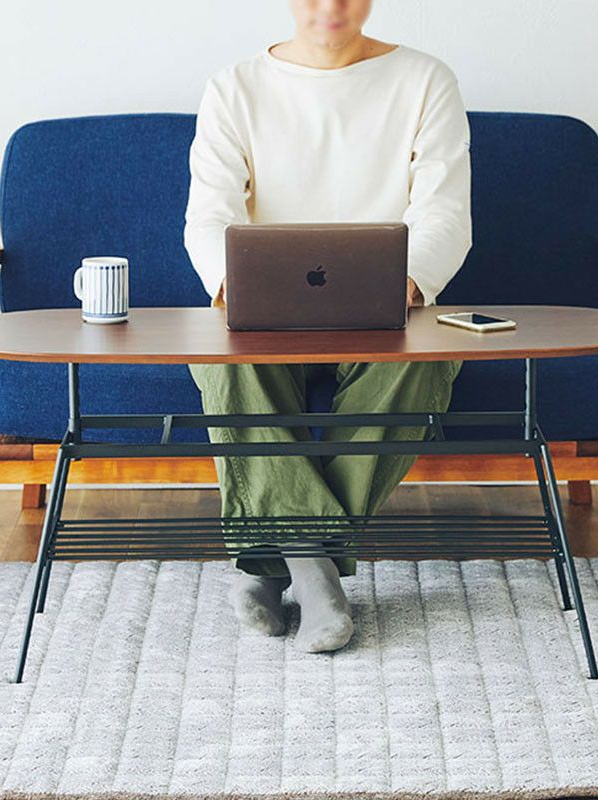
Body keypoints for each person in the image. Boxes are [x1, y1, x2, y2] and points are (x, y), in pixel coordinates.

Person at [183, 0, 472, 654]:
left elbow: (445, 211)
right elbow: (209, 213)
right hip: (262, 316)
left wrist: (403, 285)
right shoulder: (235, 86)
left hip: (389, 309)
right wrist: (233, 286)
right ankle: (314, 574)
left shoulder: (426, 79)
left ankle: (271, 566)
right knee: (228, 366)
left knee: (423, 364)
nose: (331, 6)